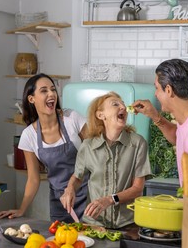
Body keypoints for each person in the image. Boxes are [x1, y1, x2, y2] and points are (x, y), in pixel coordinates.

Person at [0, 73, 88, 223]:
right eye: (44, 90)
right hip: (60, 204)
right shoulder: (29, 135)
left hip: (88, 196)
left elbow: (95, 153)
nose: (51, 94)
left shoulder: (72, 118)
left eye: (53, 89)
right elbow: (33, 178)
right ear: (31, 99)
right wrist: (22, 209)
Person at [60, 92, 152, 229]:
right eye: (115, 104)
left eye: (123, 104)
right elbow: (77, 176)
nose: (123, 107)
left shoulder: (138, 143)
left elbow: (138, 189)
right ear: (100, 115)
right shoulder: (88, 146)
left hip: (127, 224)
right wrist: (70, 189)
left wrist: (110, 199)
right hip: (94, 223)